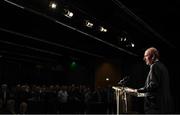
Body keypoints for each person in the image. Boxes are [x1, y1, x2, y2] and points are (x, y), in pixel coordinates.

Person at [135, 47, 174, 113]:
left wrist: (139, 90)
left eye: (146, 56)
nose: (144, 59)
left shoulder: (154, 66)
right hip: (164, 105)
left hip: (155, 106)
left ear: (153, 56)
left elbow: (153, 84)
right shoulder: (163, 66)